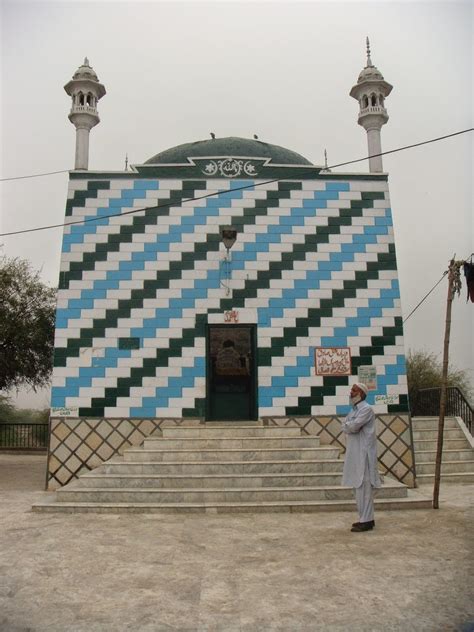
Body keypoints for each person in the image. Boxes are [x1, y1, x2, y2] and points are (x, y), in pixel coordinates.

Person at [341, 382, 382, 532]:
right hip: (355, 453)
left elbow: (352, 426)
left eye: (354, 390)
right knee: (358, 487)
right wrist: (348, 425)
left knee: (364, 486)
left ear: (361, 393)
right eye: (351, 389)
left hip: (363, 453)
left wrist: (349, 426)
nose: (351, 392)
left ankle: (367, 520)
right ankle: (364, 518)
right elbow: (344, 425)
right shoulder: (353, 411)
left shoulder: (366, 409)